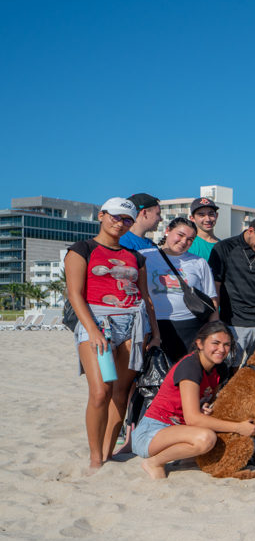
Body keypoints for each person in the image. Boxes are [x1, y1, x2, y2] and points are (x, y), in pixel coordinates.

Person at [65, 197, 161, 472]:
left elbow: (146, 297)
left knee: (121, 394)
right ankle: (95, 459)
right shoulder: (82, 249)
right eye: (116, 217)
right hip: (97, 322)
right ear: (101, 215)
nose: (120, 223)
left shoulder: (136, 257)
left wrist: (154, 333)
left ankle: (108, 453)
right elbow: (75, 294)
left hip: (132, 324)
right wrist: (93, 330)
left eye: (127, 220)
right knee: (100, 391)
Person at [131, 321, 255, 479]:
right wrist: (238, 427)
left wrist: (205, 407)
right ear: (199, 343)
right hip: (153, 431)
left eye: (226, 344)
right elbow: (193, 419)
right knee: (206, 438)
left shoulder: (220, 369)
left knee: (215, 435)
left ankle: (183, 458)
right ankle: (154, 462)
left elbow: (206, 404)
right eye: (215, 343)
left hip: (180, 429)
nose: (221, 349)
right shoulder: (190, 366)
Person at [140, 217, 219, 363]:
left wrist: (213, 332)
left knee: (188, 376)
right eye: (180, 235)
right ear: (167, 230)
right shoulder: (145, 256)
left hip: (190, 327)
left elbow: (212, 300)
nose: (184, 242)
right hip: (153, 326)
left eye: (190, 239)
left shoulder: (199, 263)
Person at [208, 215, 255, 364]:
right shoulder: (224, 248)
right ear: (251, 230)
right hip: (233, 323)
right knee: (230, 371)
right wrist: (215, 320)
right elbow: (215, 286)